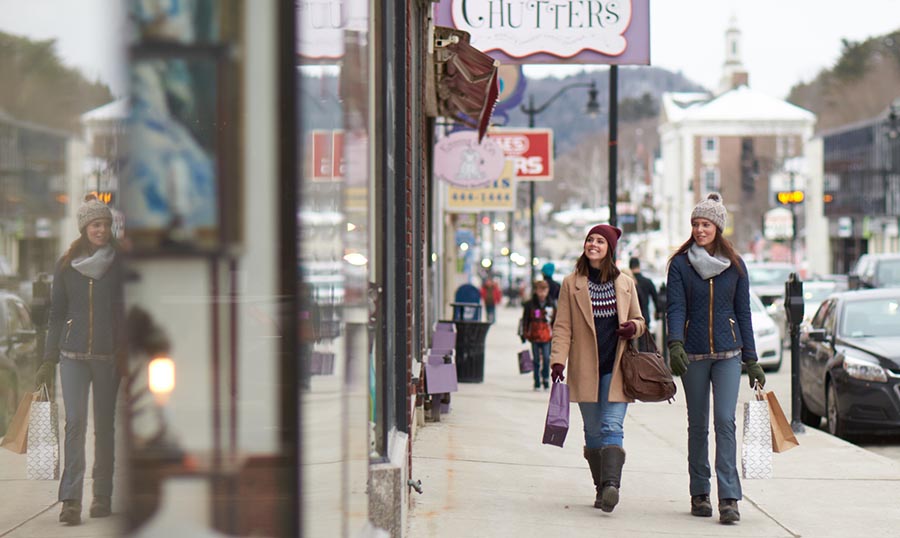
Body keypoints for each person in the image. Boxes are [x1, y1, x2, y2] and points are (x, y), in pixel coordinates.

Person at [665, 192, 766, 525]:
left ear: (717, 227)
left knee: (725, 421)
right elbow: (675, 307)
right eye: (695, 224)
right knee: (698, 425)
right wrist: (675, 343)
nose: (699, 230)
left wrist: (751, 359)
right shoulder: (680, 265)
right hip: (693, 355)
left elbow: (744, 312)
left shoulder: (735, 265)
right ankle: (699, 492)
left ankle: (729, 498)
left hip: (728, 354)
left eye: (705, 224)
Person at [35, 194, 125, 526]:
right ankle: (70, 500)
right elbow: (56, 314)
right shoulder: (66, 265)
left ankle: (102, 494)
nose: (101, 230)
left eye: (105, 224)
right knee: (74, 424)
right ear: (84, 228)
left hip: (107, 357)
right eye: (95, 225)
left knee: (104, 427)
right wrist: (48, 358)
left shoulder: (120, 263)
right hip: (72, 356)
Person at [549, 224, 645, 513]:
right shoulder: (571, 283)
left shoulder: (626, 283)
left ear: (610, 249)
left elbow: (641, 321)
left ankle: (612, 485)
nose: (593, 244)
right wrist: (557, 360)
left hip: (617, 368)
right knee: (592, 431)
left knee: (612, 426)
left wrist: (633, 328)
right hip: (585, 367)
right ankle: (601, 487)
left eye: (600, 241)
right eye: (590, 239)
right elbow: (562, 325)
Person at [519, 279, 556, 391]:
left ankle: (545, 378)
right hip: (534, 336)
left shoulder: (551, 304)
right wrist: (524, 334)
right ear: (536, 291)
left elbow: (555, 321)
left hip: (547, 336)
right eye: (540, 291)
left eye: (544, 291)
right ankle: (536, 381)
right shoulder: (530, 305)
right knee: (535, 359)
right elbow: (525, 320)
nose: (542, 294)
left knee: (546, 358)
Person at [629, 257, 660, 351]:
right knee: (643, 345)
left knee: (629, 345)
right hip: (644, 315)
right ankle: (642, 364)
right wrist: (658, 312)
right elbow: (656, 298)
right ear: (639, 266)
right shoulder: (647, 282)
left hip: (630, 317)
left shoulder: (628, 281)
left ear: (630, 266)